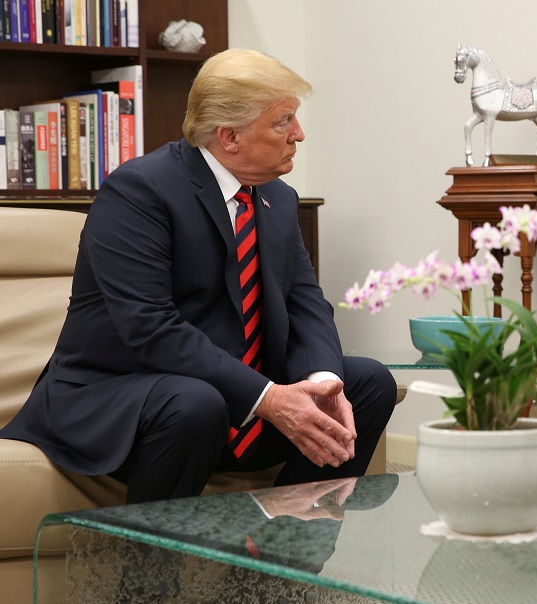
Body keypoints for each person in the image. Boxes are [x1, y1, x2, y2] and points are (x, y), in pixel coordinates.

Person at [0, 49, 398, 503]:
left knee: (369, 382)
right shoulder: (138, 192)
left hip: (223, 398)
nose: (299, 135)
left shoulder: (278, 201)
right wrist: (268, 398)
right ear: (229, 136)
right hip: (121, 397)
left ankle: (280, 559)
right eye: (283, 121)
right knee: (195, 402)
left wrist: (323, 381)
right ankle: (145, 572)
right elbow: (150, 328)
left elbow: (306, 304)